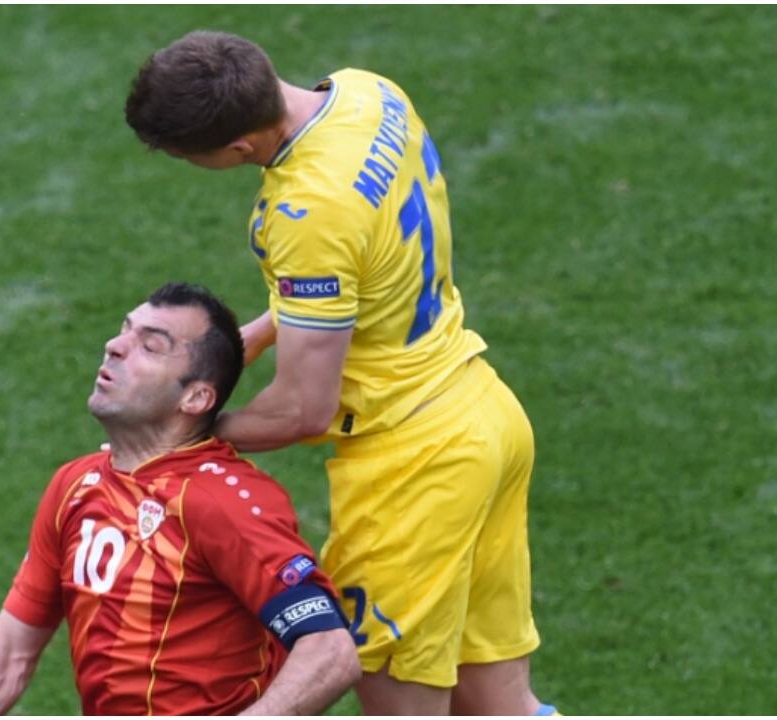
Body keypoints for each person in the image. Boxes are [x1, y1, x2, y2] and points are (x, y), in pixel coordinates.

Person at [125, 32, 559, 716]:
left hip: (414, 469)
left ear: (237, 149)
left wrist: (183, 436)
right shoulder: (369, 92)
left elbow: (302, 410)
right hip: (482, 413)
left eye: (187, 155)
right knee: (498, 704)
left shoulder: (306, 212)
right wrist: (252, 340)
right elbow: (356, 269)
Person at [0, 282, 360, 716]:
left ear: (196, 396)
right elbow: (10, 652)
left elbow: (330, 650)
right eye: (124, 330)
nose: (114, 346)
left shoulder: (220, 501)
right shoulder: (75, 485)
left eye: (150, 346)